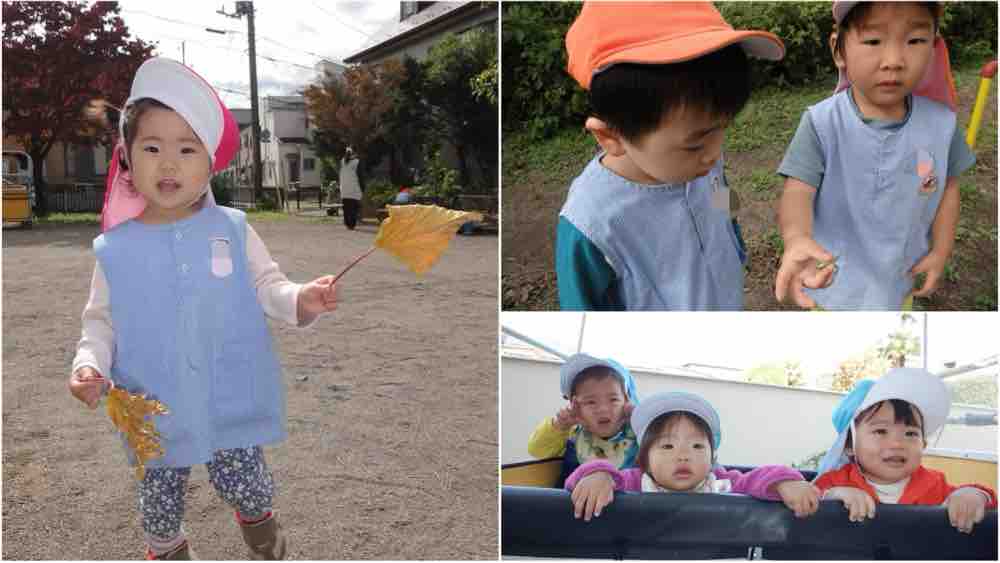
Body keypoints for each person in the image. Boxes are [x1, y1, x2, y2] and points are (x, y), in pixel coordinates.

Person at [69, 57, 340, 560]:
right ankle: (169, 550)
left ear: (209, 163)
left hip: (225, 394)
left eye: (187, 148)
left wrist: (301, 298)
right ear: (126, 157)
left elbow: (268, 285)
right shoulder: (115, 249)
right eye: (152, 148)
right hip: (151, 404)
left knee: (249, 485)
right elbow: (100, 321)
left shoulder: (232, 229)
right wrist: (89, 364)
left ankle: (257, 521)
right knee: (158, 507)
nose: (169, 164)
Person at [555, 1, 785, 310]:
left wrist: (735, 240)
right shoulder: (591, 225)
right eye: (694, 145)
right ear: (611, 137)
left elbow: (722, 196)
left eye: (723, 128)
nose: (715, 153)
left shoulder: (702, 160)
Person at [775, 2, 974, 310]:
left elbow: (947, 188)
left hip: (900, 278)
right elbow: (797, 190)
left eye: (915, 40)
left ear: (933, 48)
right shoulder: (822, 123)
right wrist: (797, 237)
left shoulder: (942, 125)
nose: (894, 61)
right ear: (838, 50)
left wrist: (941, 251)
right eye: (873, 41)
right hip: (829, 282)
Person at [565, 392, 820, 521]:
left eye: (697, 446)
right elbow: (583, 480)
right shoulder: (635, 481)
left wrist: (785, 482)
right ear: (644, 459)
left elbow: (758, 477)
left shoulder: (721, 482)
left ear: (713, 457)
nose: (684, 455)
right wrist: (598, 476)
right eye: (668, 446)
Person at [814, 368, 996, 534]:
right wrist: (833, 496)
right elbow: (806, 498)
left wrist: (973, 495)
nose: (897, 444)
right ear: (848, 446)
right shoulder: (835, 481)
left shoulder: (935, 484)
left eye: (910, 433)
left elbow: (987, 500)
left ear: (923, 444)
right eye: (881, 431)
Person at [527, 354, 640, 477]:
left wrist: (640, 418)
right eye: (591, 402)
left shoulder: (639, 433)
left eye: (613, 400)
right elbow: (536, 450)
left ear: (627, 401)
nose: (603, 409)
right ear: (575, 406)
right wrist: (560, 425)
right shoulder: (573, 434)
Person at [339, 146, 363, 230]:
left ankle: (347, 224)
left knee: (346, 207)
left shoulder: (342, 161)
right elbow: (361, 176)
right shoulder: (357, 162)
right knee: (354, 207)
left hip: (344, 188)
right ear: (354, 153)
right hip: (354, 188)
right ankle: (352, 224)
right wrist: (362, 188)